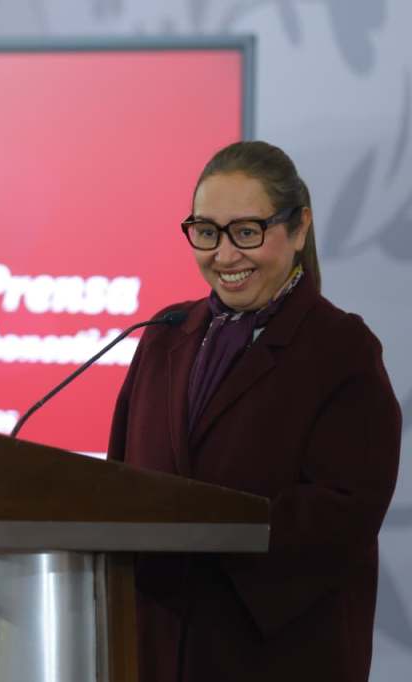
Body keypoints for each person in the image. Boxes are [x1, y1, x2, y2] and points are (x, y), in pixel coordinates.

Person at [107, 140, 402, 682]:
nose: (224, 255)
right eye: (206, 232)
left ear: (299, 228)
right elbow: (119, 482)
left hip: (274, 653)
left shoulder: (342, 349)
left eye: (246, 232)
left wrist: (202, 537)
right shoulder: (163, 335)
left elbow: (346, 513)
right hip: (156, 648)